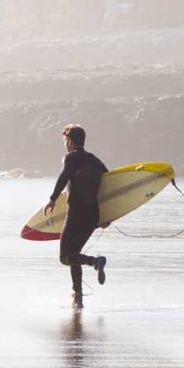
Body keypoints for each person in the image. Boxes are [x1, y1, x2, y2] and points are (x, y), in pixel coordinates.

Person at [43, 124, 108, 309]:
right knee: (74, 252)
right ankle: (78, 296)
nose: (65, 145)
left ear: (69, 141)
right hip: (93, 214)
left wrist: (52, 199)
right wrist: (107, 216)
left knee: (65, 257)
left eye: (65, 141)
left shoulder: (71, 157)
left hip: (77, 212)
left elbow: (64, 177)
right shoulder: (95, 160)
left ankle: (95, 261)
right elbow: (109, 188)